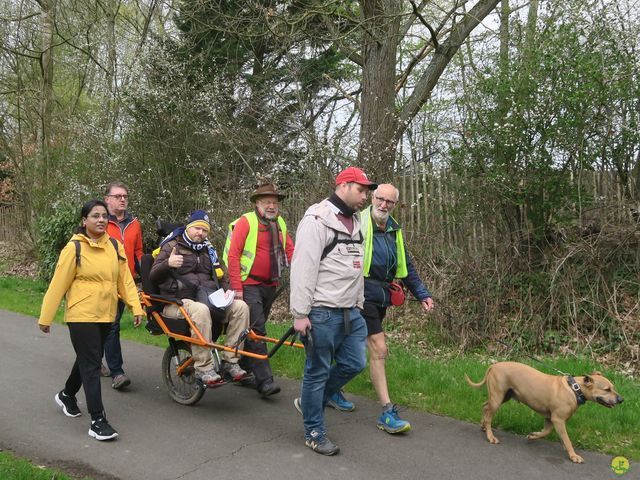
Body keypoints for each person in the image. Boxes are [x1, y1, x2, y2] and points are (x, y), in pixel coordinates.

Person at [328, 183, 434, 434]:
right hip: (359, 294)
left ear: (396, 205)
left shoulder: (394, 229)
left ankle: (329, 391)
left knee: (345, 345)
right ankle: (387, 411)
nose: (384, 205)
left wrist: (422, 294)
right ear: (372, 198)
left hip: (382, 296)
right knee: (379, 348)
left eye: (390, 201)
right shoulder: (356, 222)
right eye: (380, 199)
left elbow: (406, 265)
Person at [38, 199, 145, 441]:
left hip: (106, 313)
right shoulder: (73, 248)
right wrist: (46, 316)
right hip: (81, 314)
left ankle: (67, 395)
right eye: (95, 216)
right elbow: (58, 285)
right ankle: (98, 420)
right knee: (92, 364)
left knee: (91, 357)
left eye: (104, 216)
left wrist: (135, 307)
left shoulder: (115, 247)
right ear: (84, 221)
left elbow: (125, 281)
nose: (101, 220)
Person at [290, 166, 377, 455]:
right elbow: (303, 269)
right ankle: (314, 431)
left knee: (355, 363)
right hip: (321, 312)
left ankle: (309, 401)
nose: (365, 196)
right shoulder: (317, 220)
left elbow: (357, 268)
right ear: (343, 186)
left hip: (351, 311)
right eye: (361, 189)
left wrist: (360, 303)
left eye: (367, 191)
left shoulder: (359, 222)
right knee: (317, 372)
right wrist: (300, 314)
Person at [150, 210, 250, 385]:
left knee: (241, 307)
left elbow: (221, 277)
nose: (200, 233)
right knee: (200, 310)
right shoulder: (171, 246)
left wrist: (227, 291)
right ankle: (204, 369)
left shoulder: (209, 250)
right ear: (188, 228)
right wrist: (168, 264)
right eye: (197, 228)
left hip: (207, 299)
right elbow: (153, 276)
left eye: (204, 230)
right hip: (176, 302)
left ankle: (230, 362)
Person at [223, 182, 295, 398]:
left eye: (274, 202)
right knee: (257, 331)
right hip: (249, 284)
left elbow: (290, 250)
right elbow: (233, 256)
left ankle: (242, 368)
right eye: (267, 202)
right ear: (257, 203)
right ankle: (265, 382)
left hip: (269, 285)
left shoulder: (279, 223)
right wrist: (237, 289)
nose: (272, 206)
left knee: (250, 329)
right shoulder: (247, 222)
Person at [102, 181, 144, 390]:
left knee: (110, 325)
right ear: (107, 199)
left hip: (126, 282)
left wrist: (145, 273)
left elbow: (138, 252)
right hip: (103, 282)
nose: (122, 199)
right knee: (111, 325)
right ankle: (116, 372)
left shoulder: (134, 224)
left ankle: (102, 362)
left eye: (125, 196)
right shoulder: (100, 222)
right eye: (117, 196)